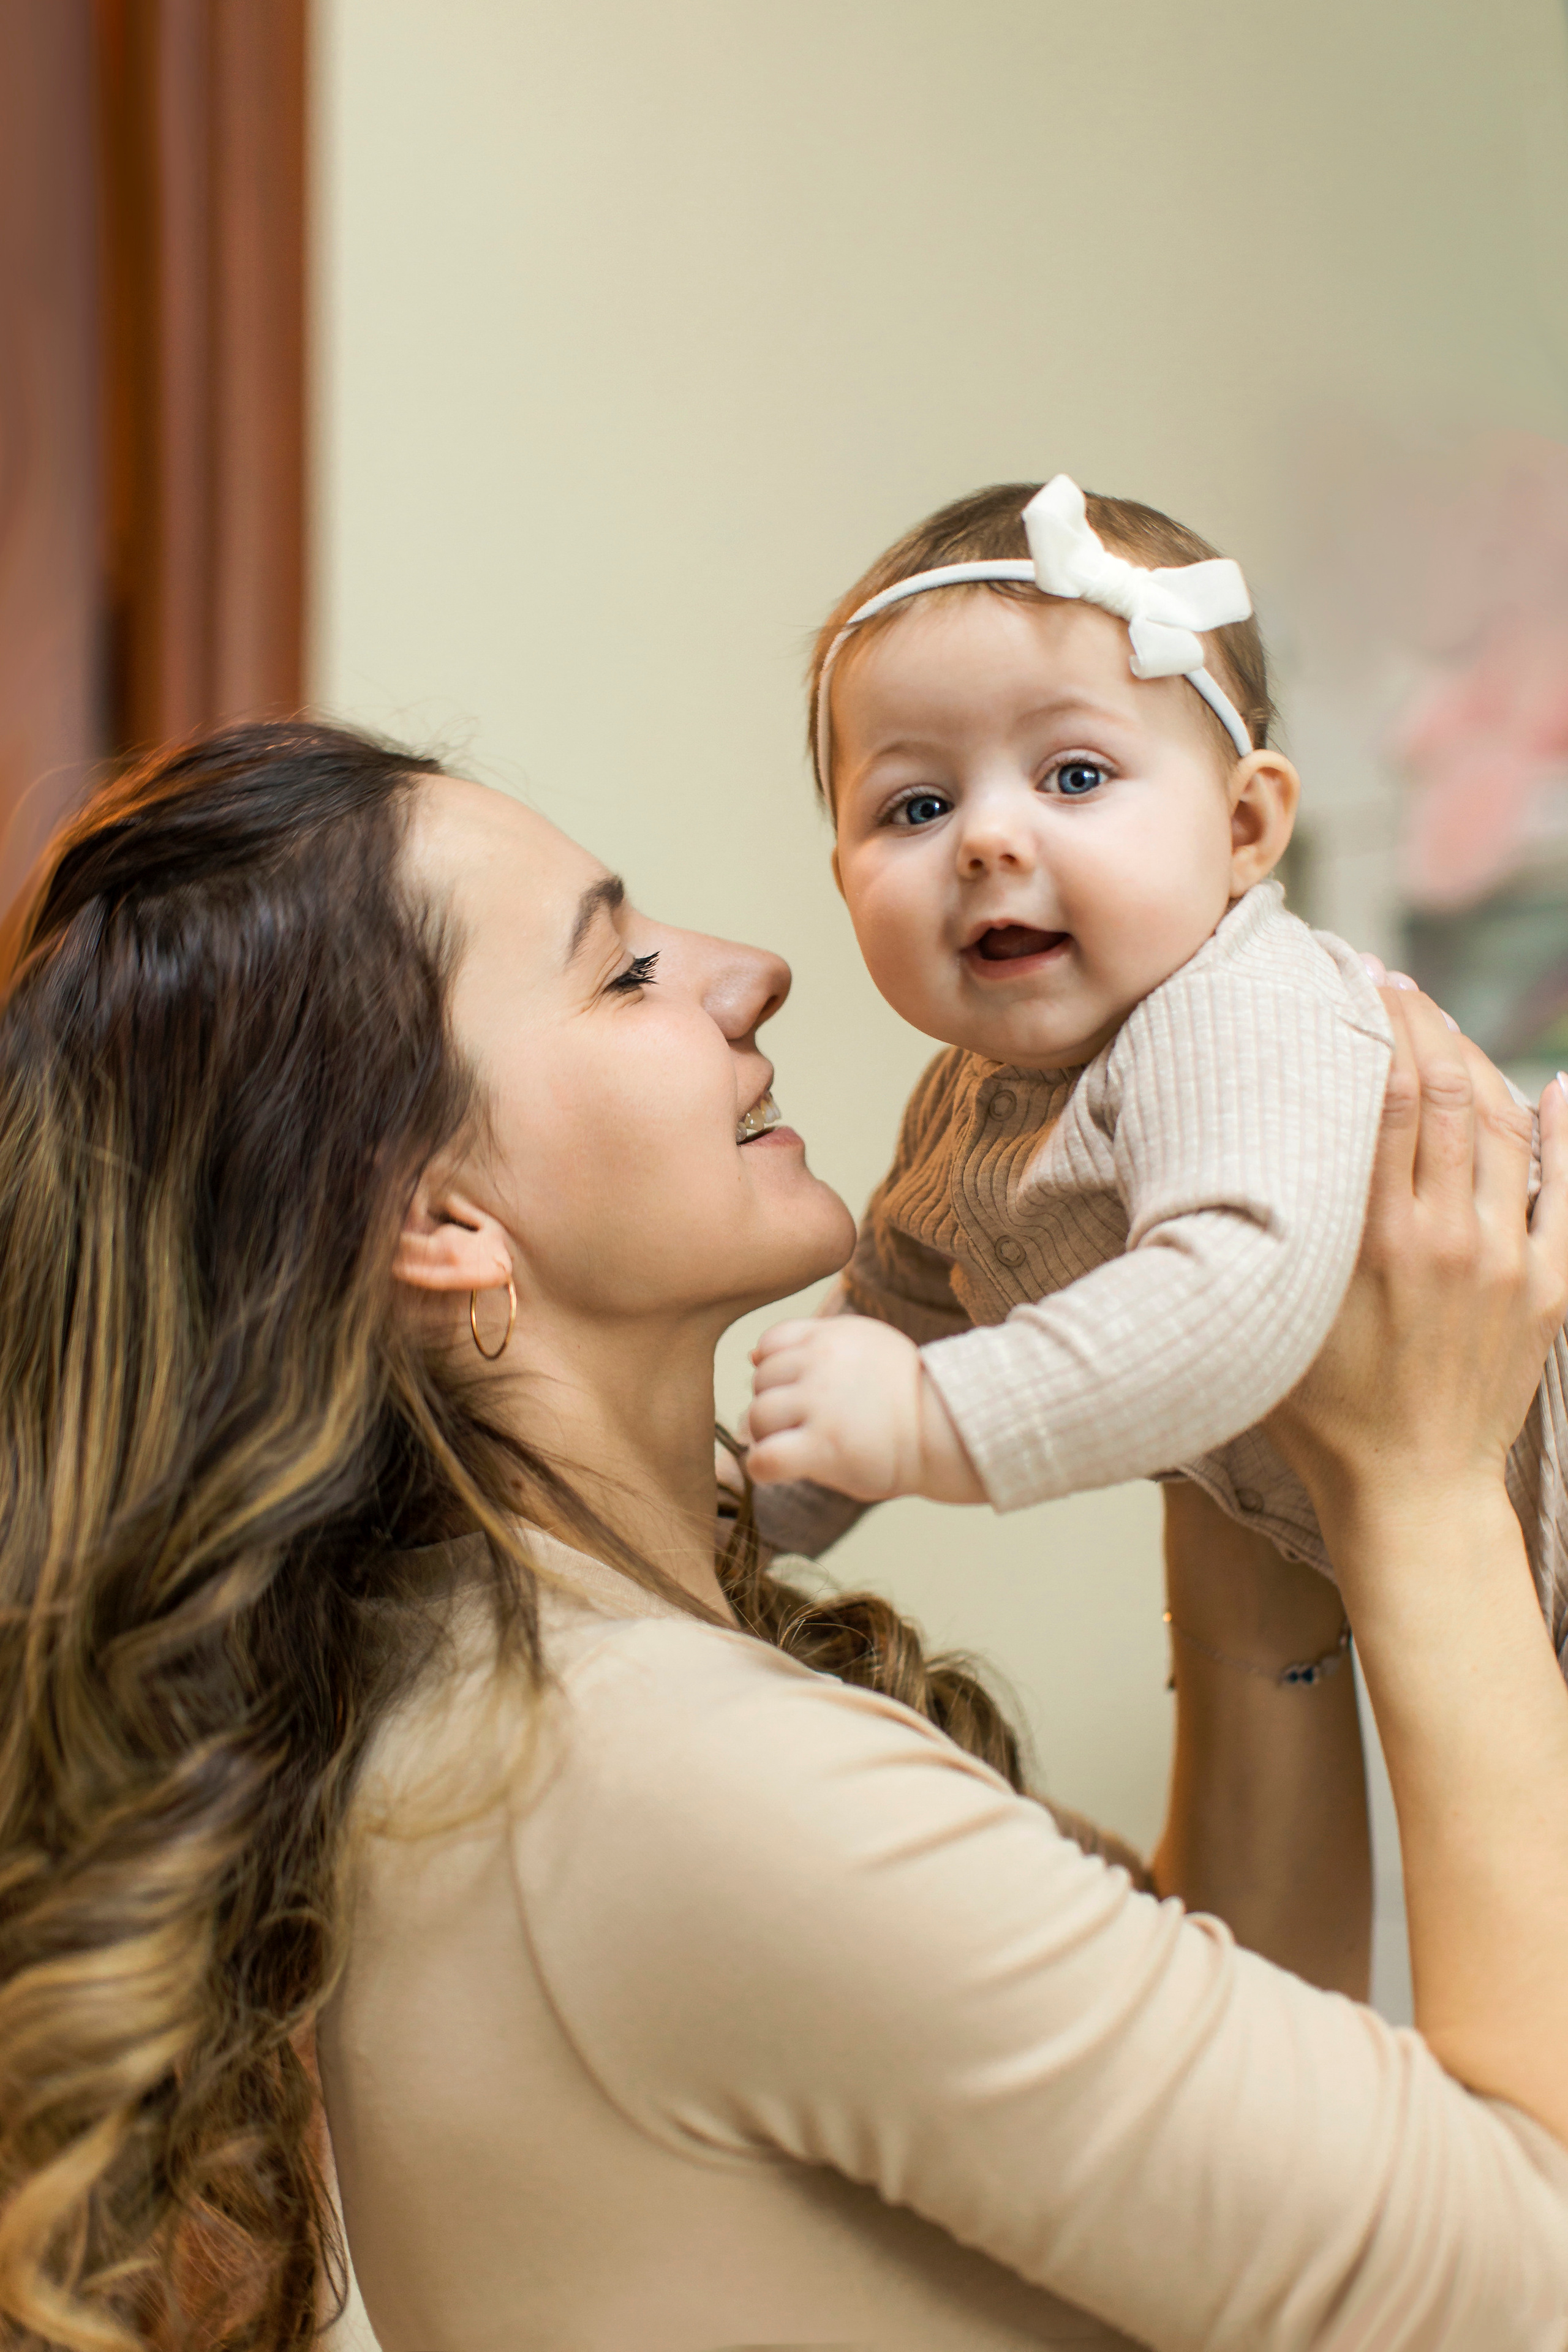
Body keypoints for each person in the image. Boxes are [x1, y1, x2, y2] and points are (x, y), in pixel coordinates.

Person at [0, 719, 1566, 2352]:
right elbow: (1532, 2277)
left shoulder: (496, 1707)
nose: (752, 974)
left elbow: (1255, 2088)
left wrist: (1228, 1407)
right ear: (440, 1221)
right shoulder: (679, 1783)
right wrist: (1423, 1484)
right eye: (624, 973)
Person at [742, 477, 1568, 1674]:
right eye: (916, 805)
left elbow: (1230, 1297)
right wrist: (745, 1515)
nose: (986, 839)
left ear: (1243, 830)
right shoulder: (965, 1101)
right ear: (843, 878)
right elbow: (902, 1301)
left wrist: (933, 1418)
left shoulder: (1240, 1005)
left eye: (1074, 776)